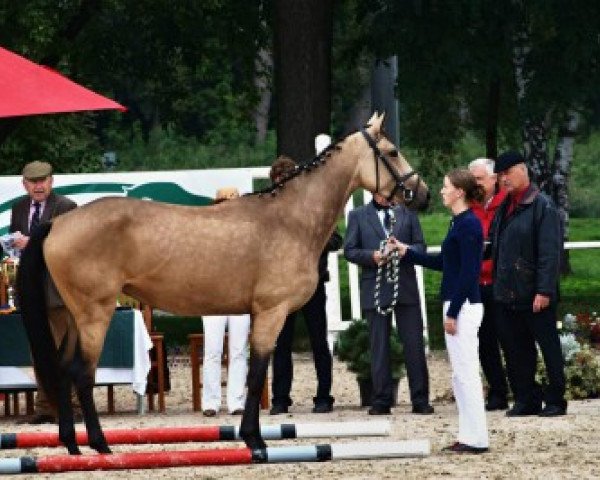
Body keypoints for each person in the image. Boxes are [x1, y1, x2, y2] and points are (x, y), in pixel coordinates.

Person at [393, 168, 489, 454]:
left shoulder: (469, 225)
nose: (443, 190)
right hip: (457, 303)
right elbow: (447, 263)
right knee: (460, 374)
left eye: (446, 187)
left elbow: (469, 273)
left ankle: (477, 438)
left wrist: (453, 311)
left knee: (467, 373)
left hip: (464, 305)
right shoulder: (457, 222)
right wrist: (407, 253)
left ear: (460, 191)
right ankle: (468, 435)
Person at [488, 151, 566, 417]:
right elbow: (497, 248)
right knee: (516, 350)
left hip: (534, 292)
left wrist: (544, 290)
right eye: (499, 176)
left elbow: (550, 253)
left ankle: (556, 399)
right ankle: (526, 398)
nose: (503, 180)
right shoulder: (504, 208)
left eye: (507, 173)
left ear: (522, 170)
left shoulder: (542, 206)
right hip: (508, 293)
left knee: (548, 347)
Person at [344, 192, 433, 416]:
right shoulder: (358, 215)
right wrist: (373, 256)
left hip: (405, 285)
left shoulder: (408, 213)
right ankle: (382, 399)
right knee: (379, 345)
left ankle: (420, 399)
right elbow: (350, 250)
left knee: (413, 343)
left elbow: (421, 246)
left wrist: (405, 249)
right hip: (374, 285)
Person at [270, 142, 342, 415]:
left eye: (287, 180)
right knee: (281, 342)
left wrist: (311, 239)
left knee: (318, 341)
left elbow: (335, 239)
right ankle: (280, 398)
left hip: (312, 283)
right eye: (279, 182)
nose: (284, 186)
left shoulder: (315, 208)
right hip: (281, 285)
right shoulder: (271, 212)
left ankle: (324, 396)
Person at [10, 160, 78, 424]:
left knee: (64, 349)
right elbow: (18, 247)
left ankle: (70, 406)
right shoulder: (18, 208)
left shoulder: (66, 207)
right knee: (38, 350)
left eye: (43, 180)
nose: (38, 186)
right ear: (25, 184)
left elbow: (70, 245)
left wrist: (32, 242)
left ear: (51, 181)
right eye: (33, 181)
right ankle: (45, 407)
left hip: (59, 289)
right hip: (30, 290)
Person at [201, 187, 250, 417]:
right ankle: (210, 402)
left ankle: (236, 401)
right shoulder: (207, 229)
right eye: (224, 201)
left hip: (240, 295)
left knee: (239, 350)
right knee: (213, 349)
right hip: (212, 294)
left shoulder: (247, 230)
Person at [468, 158, 509, 411]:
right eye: (472, 180)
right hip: (477, 283)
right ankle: (496, 391)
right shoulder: (469, 207)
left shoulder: (507, 204)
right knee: (484, 341)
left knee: (510, 338)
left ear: (494, 179)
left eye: (479, 179)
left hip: (501, 282)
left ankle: (522, 387)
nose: (476, 185)